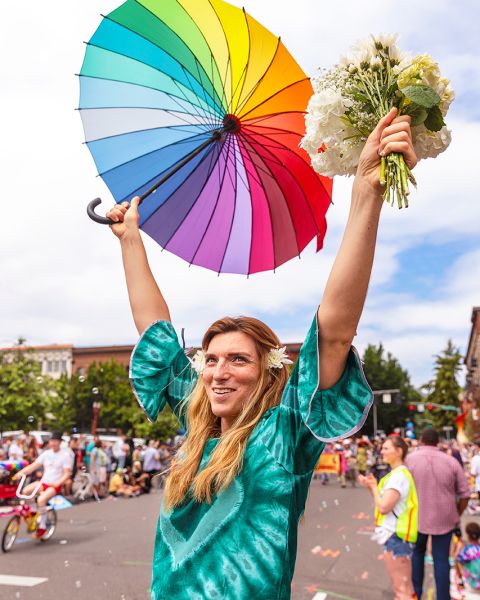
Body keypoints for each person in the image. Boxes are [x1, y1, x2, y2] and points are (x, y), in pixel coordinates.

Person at [106, 108, 417, 599]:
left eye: (238, 359)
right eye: (210, 359)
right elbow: (155, 331)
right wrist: (130, 241)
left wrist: (366, 193)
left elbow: (333, 333)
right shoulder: (195, 425)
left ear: (266, 372)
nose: (218, 372)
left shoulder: (285, 432)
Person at [406, 427, 470, 600]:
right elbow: (465, 494)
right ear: (438, 442)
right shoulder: (451, 462)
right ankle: (443, 597)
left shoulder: (410, 460)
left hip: (416, 519)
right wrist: (457, 513)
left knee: (417, 555)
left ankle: (416, 594)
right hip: (445, 518)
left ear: (421, 440)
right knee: (441, 560)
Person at [359, 435, 417, 599]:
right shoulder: (398, 474)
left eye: (386, 448)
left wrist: (373, 488)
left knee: (401, 590)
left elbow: (384, 507)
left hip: (396, 538)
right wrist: (372, 489)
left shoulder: (398, 476)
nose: (381, 451)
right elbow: (385, 503)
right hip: (398, 537)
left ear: (398, 451)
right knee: (404, 588)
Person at [12, 432, 73, 538]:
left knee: (41, 500)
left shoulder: (65, 456)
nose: (53, 443)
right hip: (43, 482)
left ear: (60, 442)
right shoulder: (46, 454)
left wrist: (58, 483)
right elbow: (33, 466)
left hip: (55, 485)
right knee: (26, 491)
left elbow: (67, 473)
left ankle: (42, 527)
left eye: (56, 441)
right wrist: (20, 473)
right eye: (52, 441)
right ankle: (34, 512)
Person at [456, 522, 480, 592]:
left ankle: (461, 581)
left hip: (472, 582)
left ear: (468, 535)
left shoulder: (466, 549)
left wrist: (458, 548)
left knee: (458, 561)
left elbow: (458, 559)